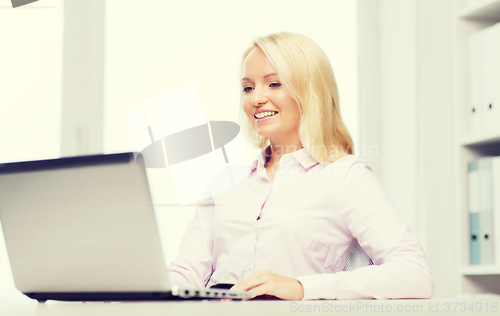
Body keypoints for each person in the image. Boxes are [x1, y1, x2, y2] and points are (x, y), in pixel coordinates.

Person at [167, 32, 435, 300]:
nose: (256, 98)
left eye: (274, 84)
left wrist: (300, 287)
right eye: (248, 87)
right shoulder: (224, 180)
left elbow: (416, 275)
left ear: (309, 90)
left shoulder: (345, 176)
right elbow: (188, 271)